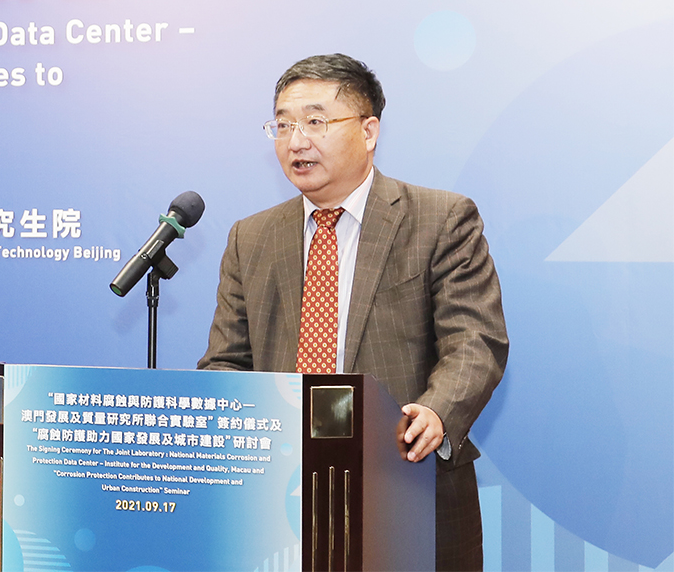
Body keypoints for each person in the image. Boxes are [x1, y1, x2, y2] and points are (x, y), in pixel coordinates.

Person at [198, 53, 508, 571]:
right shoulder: (250, 237)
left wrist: (436, 412)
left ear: (368, 131)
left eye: (315, 122)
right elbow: (226, 361)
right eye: (283, 125)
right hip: (279, 499)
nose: (296, 141)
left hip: (408, 483)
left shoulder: (440, 219)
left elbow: (475, 342)